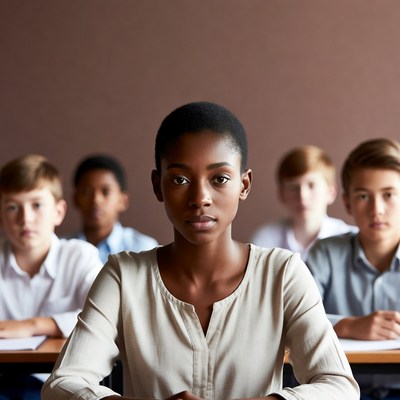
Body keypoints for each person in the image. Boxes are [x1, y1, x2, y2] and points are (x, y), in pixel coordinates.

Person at [42, 102, 359, 400]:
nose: (200, 197)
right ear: (157, 186)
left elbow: (339, 386)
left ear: (244, 185)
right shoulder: (123, 275)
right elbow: (62, 384)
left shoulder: (282, 273)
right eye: (179, 179)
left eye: (220, 178)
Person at [0, 154, 103, 399]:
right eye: (12, 207)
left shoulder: (81, 256)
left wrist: (33, 326)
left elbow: (103, 316)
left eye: (37, 205)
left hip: (58, 383)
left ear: (59, 211)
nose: (25, 218)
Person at [306, 138, 400, 400]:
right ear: (347, 203)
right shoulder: (325, 253)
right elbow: (293, 320)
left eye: (389, 195)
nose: (376, 210)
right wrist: (348, 326)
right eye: (363, 196)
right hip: (339, 391)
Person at [251, 145, 355, 260]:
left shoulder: (349, 240)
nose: (302, 196)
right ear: (281, 194)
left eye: (311, 186)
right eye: (294, 187)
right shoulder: (265, 240)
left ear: (331, 193)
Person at [72, 154, 158, 263]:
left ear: (122, 201)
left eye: (106, 192)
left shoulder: (143, 250)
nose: (96, 200)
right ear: (75, 199)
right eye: (86, 192)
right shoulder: (59, 249)